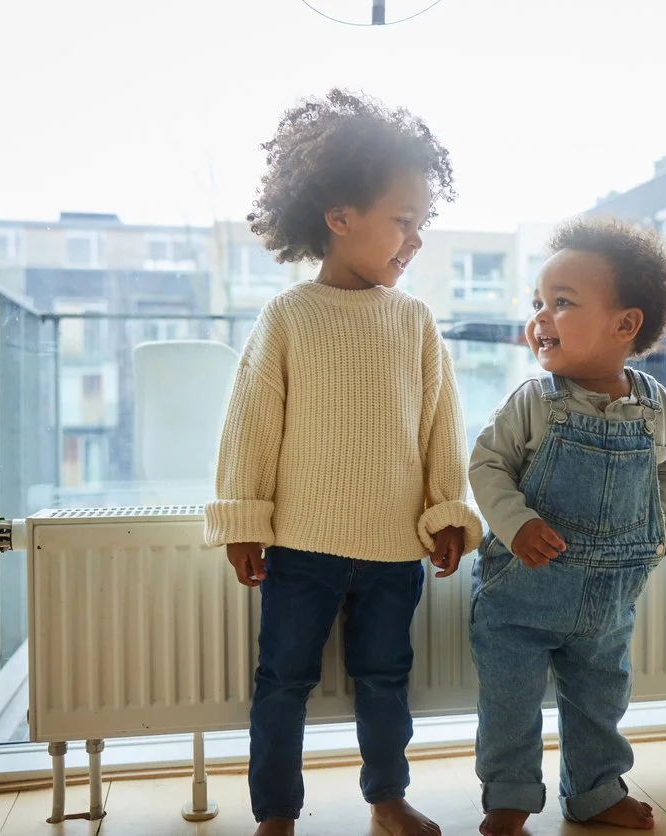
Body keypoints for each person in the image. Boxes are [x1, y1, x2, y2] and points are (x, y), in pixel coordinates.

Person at [203, 89, 482, 836]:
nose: (413, 240)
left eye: (421, 225)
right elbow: (251, 426)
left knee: (387, 680)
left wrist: (448, 511)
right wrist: (242, 518)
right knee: (282, 682)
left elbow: (439, 428)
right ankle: (276, 816)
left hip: (396, 549)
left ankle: (386, 800)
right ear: (339, 216)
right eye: (402, 221)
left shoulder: (415, 321)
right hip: (301, 548)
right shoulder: (289, 316)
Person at [468, 217, 666, 836]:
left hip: (610, 600)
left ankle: (595, 792)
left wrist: (660, 531)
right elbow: (486, 465)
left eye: (561, 304)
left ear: (625, 324)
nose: (541, 317)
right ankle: (509, 796)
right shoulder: (534, 401)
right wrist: (516, 523)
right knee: (509, 703)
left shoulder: (656, 407)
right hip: (520, 597)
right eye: (538, 303)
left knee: (600, 701)